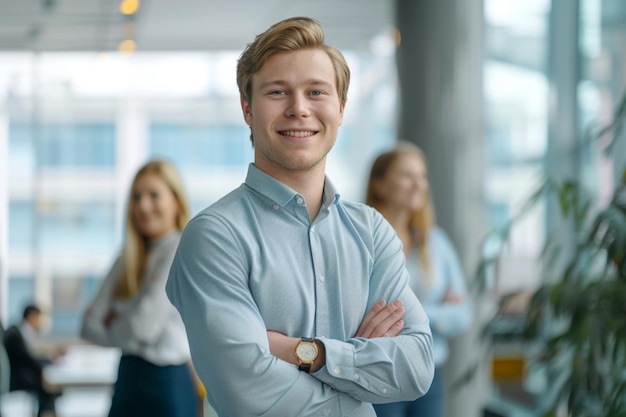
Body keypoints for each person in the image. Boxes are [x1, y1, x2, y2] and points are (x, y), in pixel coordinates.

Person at [165, 16, 434, 417]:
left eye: (316, 92)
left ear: (341, 109)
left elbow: (416, 368)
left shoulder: (372, 232)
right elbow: (246, 391)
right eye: (278, 92)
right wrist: (358, 381)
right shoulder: (214, 236)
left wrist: (305, 352)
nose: (299, 109)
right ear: (247, 109)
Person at [80, 159, 201, 417]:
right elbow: (88, 326)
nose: (143, 205)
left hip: (167, 382)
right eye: (137, 197)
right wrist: (131, 323)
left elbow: (142, 327)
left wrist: (116, 319)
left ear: (176, 201)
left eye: (154, 195)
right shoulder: (127, 258)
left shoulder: (180, 250)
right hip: (128, 377)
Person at [366, 142, 473, 417]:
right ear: (379, 184)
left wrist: (410, 315)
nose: (418, 184)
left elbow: (463, 314)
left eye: (422, 176)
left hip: (429, 374)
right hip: (377, 371)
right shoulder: (360, 243)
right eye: (406, 175)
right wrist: (437, 312)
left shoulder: (436, 244)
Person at [3, 304, 62, 417]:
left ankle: (47, 413)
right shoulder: (15, 335)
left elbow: (31, 357)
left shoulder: (21, 332)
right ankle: (47, 413)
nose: (40, 323)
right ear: (32, 316)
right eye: (39, 319)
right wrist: (50, 361)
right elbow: (29, 359)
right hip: (17, 379)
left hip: (21, 375)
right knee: (48, 388)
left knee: (50, 387)